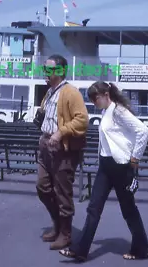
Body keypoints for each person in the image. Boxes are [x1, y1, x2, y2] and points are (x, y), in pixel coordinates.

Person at [59, 81, 148, 262]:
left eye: (95, 98)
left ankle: (141, 248)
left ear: (105, 95)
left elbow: (143, 130)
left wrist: (135, 159)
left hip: (121, 166)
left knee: (128, 210)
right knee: (94, 208)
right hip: (106, 166)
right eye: (91, 99)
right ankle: (80, 249)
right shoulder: (106, 111)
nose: (93, 102)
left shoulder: (118, 111)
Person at [36, 54, 89, 250]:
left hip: (62, 149)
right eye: (45, 69)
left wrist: (60, 133)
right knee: (42, 187)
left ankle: (65, 234)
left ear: (60, 71)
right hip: (45, 146)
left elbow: (82, 120)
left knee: (62, 192)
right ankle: (57, 224)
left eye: (49, 69)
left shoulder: (70, 92)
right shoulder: (50, 92)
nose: (46, 73)